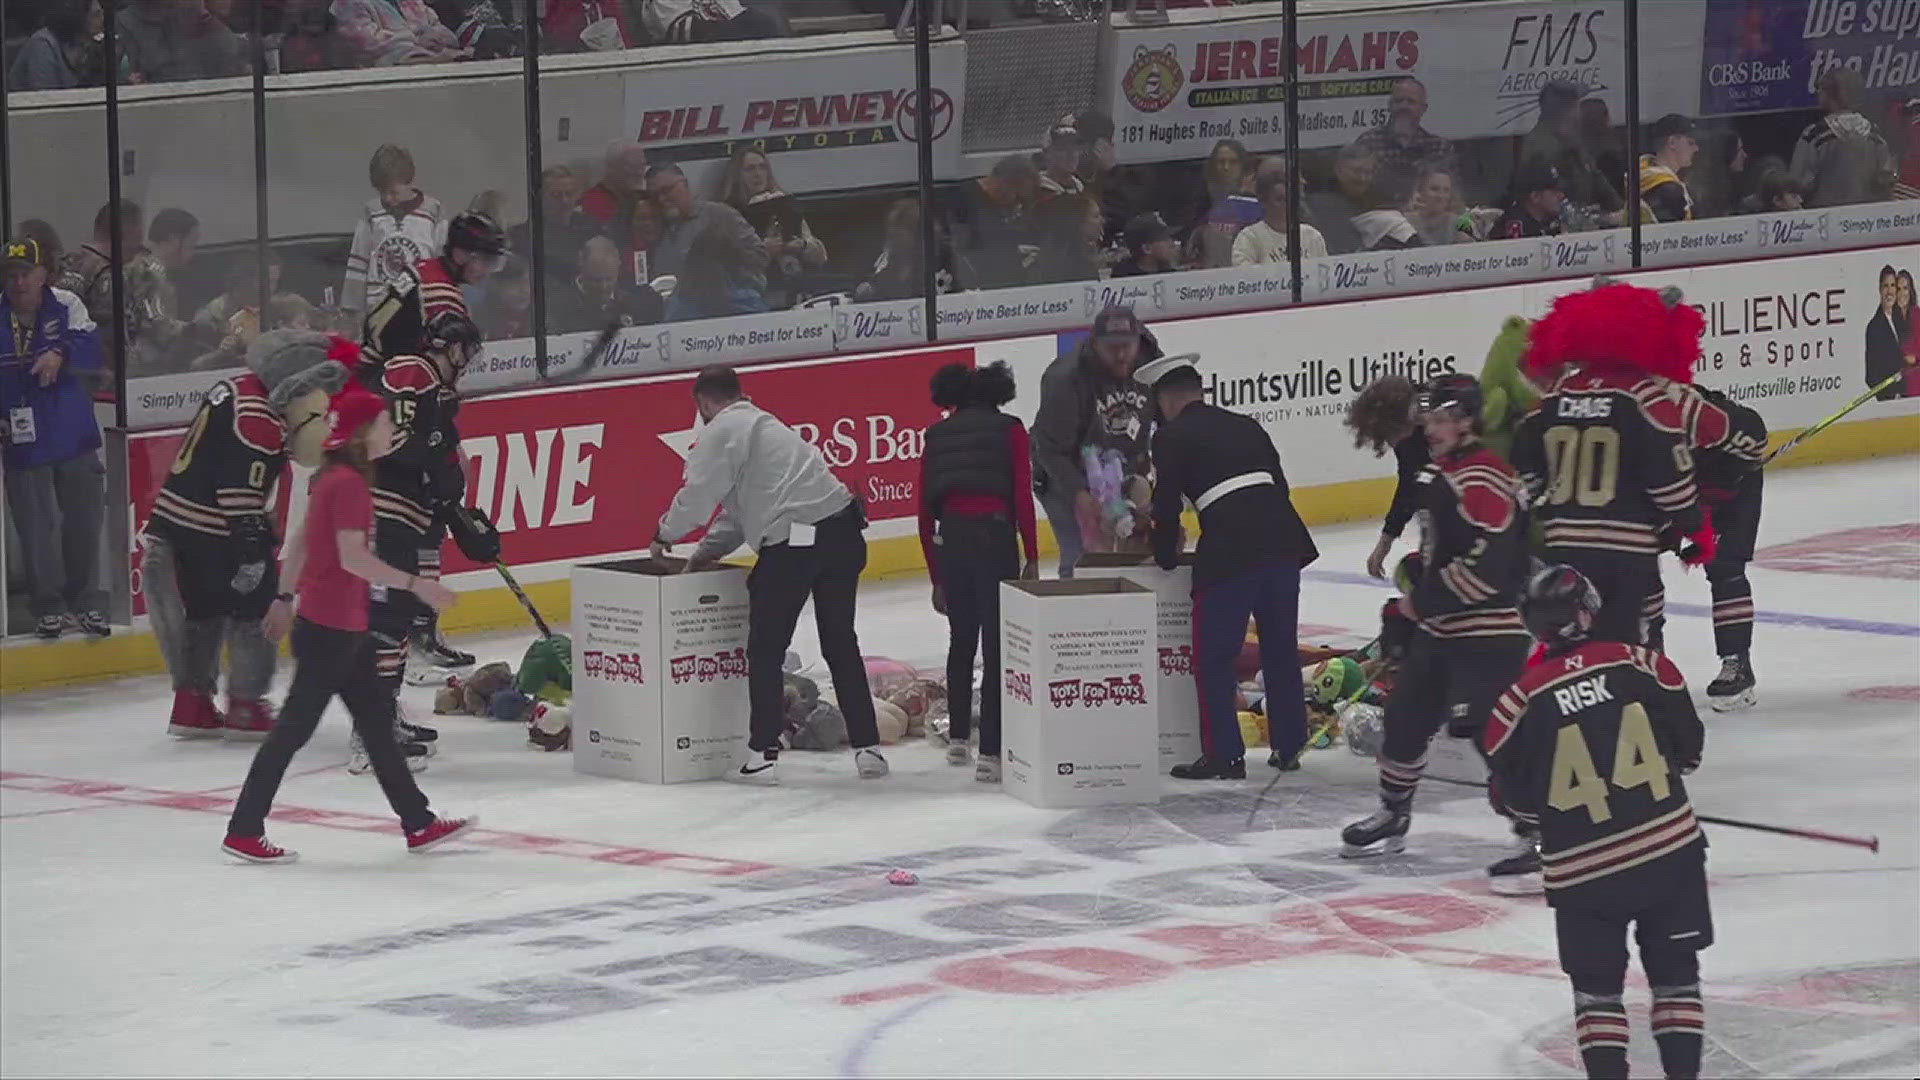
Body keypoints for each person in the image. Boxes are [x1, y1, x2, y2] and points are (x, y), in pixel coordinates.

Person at [220, 381, 473, 865]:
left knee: (377, 728)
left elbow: (297, 544)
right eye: (383, 422)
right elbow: (353, 559)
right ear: (361, 434)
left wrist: (283, 598)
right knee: (294, 729)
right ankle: (244, 828)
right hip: (331, 630)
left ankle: (418, 822)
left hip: (337, 625)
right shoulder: (352, 485)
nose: (391, 428)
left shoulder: (333, 479)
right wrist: (417, 585)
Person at [1484, 564, 1710, 1080]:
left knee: (1597, 994)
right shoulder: (1645, 664)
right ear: (1586, 611)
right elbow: (1690, 752)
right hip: (1668, 854)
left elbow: (1514, 802)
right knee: (1676, 980)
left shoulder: (1516, 703)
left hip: (1582, 872)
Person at [1339, 374, 1539, 895]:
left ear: (1468, 420)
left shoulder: (1483, 476)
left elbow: (1490, 562)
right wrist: (1414, 614)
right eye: (1427, 417)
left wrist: (1418, 603)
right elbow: (1442, 555)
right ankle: (1393, 812)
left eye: (1443, 417)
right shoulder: (1439, 470)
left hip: (1490, 629)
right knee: (1405, 717)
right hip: (1446, 628)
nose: (1432, 426)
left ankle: (1538, 830)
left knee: (1489, 731)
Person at [649, 365, 889, 782]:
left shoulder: (719, 431)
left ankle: (762, 754)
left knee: (765, 649)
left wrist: (663, 532)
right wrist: (704, 554)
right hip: (843, 534)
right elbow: (738, 515)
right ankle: (869, 750)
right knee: (840, 642)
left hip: (797, 544)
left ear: (704, 402)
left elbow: (697, 498)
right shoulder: (768, 426)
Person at [146, 330, 351, 739]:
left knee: (204, 613)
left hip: (172, 524)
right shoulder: (260, 418)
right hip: (213, 530)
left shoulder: (234, 387)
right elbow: (237, 490)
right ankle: (245, 704)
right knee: (254, 609)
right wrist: (252, 550)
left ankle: (192, 702)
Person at [1140, 354, 1318, 780]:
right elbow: (1280, 485)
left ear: (1164, 400)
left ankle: (1224, 755)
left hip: (1231, 553)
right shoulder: (1247, 424)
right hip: (1283, 544)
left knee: (1213, 658)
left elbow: (1165, 507)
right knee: (1279, 648)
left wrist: (1164, 555)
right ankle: (1290, 746)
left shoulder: (1171, 437)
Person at [1511, 282, 1714, 646]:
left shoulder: (1559, 393)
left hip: (1564, 546)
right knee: (1629, 650)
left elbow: (1526, 452)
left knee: (1570, 645)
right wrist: (1693, 526)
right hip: (1625, 553)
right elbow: (1669, 485)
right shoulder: (1645, 397)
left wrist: (1547, 495)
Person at [363, 310, 499, 771]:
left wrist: (455, 514)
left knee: (398, 623)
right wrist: (434, 469)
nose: (467, 363)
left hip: (405, 518)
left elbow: (433, 464)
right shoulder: (413, 370)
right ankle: (371, 740)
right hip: (383, 516)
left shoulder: (437, 395)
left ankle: (386, 722)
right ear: (450, 347)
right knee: (384, 624)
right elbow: (388, 440)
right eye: (466, 351)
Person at [917, 362, 1040, 784]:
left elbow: (924, 512)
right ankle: (990, 751)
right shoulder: (1010, 430)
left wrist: (936, 575)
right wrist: (1033, 554)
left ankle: (956, 741)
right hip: (994, 538)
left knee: (960, 641)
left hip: (951, 541)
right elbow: (1022, 495)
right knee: (996, 647)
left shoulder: (936, 435)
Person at [1, 236, 108, 640]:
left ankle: (85, 602)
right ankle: (48, 606)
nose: (18, 282)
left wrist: (60, 353)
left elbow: (92, 346)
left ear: (43, 273)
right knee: (35, 527)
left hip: (71, 432)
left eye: (25, 273)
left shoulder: (65, 304)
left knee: (82, 521)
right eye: (10, 274)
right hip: (22, 437)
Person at [1030, 306, 1161, 577]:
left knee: (1141, 546)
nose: (1122, 354)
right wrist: (1080, 495)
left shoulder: (1153, 367)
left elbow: (1169, 421)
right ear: (1094, 344)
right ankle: (1079, 608)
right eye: (1112, 347)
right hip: (1063, 475)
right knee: (1084, 558)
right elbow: (1051, 450)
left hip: (1125, 467)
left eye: (1127, 345)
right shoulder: (1064, 379)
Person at [1682, 384, 1768, 710]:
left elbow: (1753, 430)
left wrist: (1726, 479)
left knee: (1725, 566)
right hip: (1673, 493)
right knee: (1632, 566)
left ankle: (1737, 663)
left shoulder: (1697, 411)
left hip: (1730, 496)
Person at [362, 209, 504, 369]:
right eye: (485, 261)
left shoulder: (425, 269)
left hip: (375, 368)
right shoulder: (443, 296)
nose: (488, 271)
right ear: (460, 254)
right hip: (389, 379)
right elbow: (448, 365)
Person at [344, 144, 448, 318]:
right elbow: (359, 261)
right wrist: (352, 308)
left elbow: (441, 260)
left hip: (421, 303)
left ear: (409, 182)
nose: (387, 198)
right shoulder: (372, 212)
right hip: (379, 305)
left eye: (393, 192)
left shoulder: (432, 211)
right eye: (381, 192)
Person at [720, 147, 827, 308]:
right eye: (750, 169)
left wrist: (802, 246)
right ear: (738, 175)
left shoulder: (784, 203)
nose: (758, 174)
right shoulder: (727, 214)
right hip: (760, 294)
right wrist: (762, 251)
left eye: (762, 167)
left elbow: (821, 255)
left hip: (799, 285)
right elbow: (727, 266)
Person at [645, 163, 767, 297]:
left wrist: (726, 255)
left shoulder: (720, 215)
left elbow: (760, 256)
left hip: (727, 305)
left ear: (684, 184)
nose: (661, 199)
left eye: (666, 190)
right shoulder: (654, 230)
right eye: (655, 196)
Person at [1789, 66, 1897, 208]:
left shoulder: (1814, 136)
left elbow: (1798, 183)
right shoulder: (1874, 135)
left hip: (1824, 219)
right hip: (1866, 220)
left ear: (1831, 94)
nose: (1817, 93)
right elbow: (1886, 179)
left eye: (1820, 88)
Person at [57, 200, 141, 372]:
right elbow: (112, 339)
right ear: (125, 234)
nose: (139, 246)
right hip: (102, 379)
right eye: (138, 237)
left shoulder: (65, 266)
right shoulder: (111, 278)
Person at [1519, 80, 1622, 218]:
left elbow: (1596, 177)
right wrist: (1603, 219)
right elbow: (1556, 202)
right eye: (1576, 106)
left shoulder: (1571, 139)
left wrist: (1623, 210)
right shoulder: (1542, 148)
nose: (1578, 113)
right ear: (1563, 110)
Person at [1348, 77, 1460, 196]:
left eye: (1411, 102)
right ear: (1390, 106)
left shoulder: (1439, 148)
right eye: (1399, 101)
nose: (1404, 106)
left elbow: (1452, 195)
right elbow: (1356, 189)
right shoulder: (1368, 143)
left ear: (1423, 109)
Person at [123, 208, 200, 377]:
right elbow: (154, 322)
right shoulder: (148, 273)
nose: (192, 253)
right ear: (172, 241)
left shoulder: (146, 269)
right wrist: (194, 329)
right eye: (191, 245)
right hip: (145, 367)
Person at [948, 154, 1039, 290]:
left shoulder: (1006, 211)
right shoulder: (963, 199)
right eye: (1018, 198)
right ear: (1005, 182)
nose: (1018, 205)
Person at [508, 165, 595, 288]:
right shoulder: (523, 236)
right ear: (540, 199)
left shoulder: (591, 227)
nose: (564, 201)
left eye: (569, 194)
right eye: (556, 195)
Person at [117, 0, 244, 82]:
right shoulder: (126, 21)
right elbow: (132, 70)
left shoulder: (196, 8)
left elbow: (229, 54)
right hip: (158, 99)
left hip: (212, 92)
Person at [556, 236, 664, 330]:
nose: (603, 287)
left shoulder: (637, 296)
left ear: (618, 267)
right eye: (596, 280)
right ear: (581, 266)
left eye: (609, 280)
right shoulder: (560, 306)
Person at [1232, 170, 1329, 266]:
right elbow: (1244, 276)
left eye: (1290, 198)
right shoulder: (1249, 237)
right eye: (1279, 199)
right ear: (1264, 202)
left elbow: (1325, 274)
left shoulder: (1312, 236)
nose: (1286, 204)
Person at [330, 0, 466, 66]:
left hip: (437, 68)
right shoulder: (348, 3)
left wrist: (431, 40)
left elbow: (447, 35)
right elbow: (371, 46)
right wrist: (418, 40)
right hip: (386, 79)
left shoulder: (411, 2)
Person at [9, 0, 101, 89]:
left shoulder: (92, 45)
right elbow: (45, 96)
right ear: (79, 16)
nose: (102, 19)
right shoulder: (43, 45)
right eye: (96, 15)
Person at [1303, 143, 1375, 255]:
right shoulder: (1321, 206)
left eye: (1368, 172)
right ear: (1338, 170)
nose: (1362, 178)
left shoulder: (1378, 202)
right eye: (1356, 171)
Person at [1028, 194, 1104, 284]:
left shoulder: (1054, 250)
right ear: (1078, 221)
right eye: (1096, 216)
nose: (1102, 221)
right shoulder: (1072, 263)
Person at [1638, 114, 1698, 224]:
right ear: (1672, 143)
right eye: (1690, 143)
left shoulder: (1642, 176)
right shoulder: (1669, 191)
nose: (1696, 149)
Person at [579, 142, 649, 231]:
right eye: (631, 166)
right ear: (611, 168)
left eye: (642, 166)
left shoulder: (641, 198)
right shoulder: (595, 201)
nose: (639, 173)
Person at [1492, 162, 1568, 240]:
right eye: (1554, 191)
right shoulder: (1515, 225)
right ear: (1535, 197)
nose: (1561, 196)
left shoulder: (1553, 221)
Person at [1866, 264, 1904, 401]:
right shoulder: (1874, 328)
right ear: (1880, 289)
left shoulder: (1903, 320)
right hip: (1891, 402)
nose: (1889, 291)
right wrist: (1892, 395)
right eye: (1885, 286)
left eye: (1893, 285)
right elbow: (1871, 377)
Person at [1406, 166, 1467, 247]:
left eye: (1446, 190)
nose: (1441, 196)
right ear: (1420, 191)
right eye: (1434, 189)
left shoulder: (1459, 224)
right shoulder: (1406, 222)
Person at [1112, 212, 1182, 278]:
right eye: (1164, 238)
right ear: (1147, 248)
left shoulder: (1170, 274)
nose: (1172, 243)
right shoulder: (1123, 277)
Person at [1035, 121, 1088, 203]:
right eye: (1062, 149)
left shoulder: (1079, 186)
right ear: (1047, 153)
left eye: (1075, 148)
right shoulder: (1037, 189)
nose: (1071, 154)